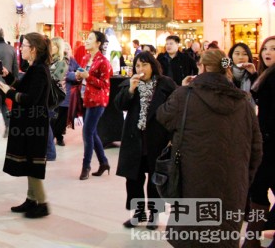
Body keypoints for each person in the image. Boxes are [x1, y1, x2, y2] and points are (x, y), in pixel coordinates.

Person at [157, 49, 262, 248]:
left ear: (202, 67)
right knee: (222, 238)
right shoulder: (243, 101)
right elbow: (256, 149)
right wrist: (243, 178)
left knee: (190, 238)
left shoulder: (184, 96)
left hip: (191, 181)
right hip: (231, 185)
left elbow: (163, 116)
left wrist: (182, 88)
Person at [114, 51, 177, 229]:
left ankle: (154, 215)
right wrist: (131, 90)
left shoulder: (166, 84)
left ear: (153, 65)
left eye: (145, 65)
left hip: (157, 138)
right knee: (133, 179)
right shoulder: (130, 84)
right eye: (138, 66)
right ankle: (138, 213)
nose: (141, 69)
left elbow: (175, 111)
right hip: (134, 139)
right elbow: (119, 105)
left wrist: (173, 137)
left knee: (154, 179)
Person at [0, 32, 51, 218]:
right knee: (30, 160)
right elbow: (23, 86)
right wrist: (9, 77)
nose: (21, 49)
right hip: (31, 121)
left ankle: (42, 203)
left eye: (25, 45)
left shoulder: (39, 70)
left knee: (33, 162)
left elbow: (30, 98)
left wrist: (8, 92)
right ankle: (31, 199)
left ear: (34, 49)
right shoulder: (35, 68)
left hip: (35, 122)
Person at [246, 36, 275, 248]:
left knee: (259, 187)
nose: (268, 52)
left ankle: (254, 239)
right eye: (265, 48)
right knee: (258, 188)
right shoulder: (263, 75)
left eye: (273, 49)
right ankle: (253, 239)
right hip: (264, 141)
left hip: (270, 143)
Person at [76, 31, 112, 180]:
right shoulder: (85, 58)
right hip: (86, 98)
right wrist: (79, 76)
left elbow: (105, 84)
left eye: (91, 39)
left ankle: (86, 166)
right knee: (92, 132)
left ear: (98, 43)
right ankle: (104, 162)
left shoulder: (103, 61)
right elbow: (84, 76)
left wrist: (88, 77)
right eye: (87, 38)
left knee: (87, 133)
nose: (87, 41)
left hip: (97, 101)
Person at [49, 37, 67, 152]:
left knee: (54, 121)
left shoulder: (61, 62)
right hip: (49, 94)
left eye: (53, 45)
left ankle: (51, 148)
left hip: (56, 95)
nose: (51, 47)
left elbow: (57, 78)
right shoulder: (49, 60)